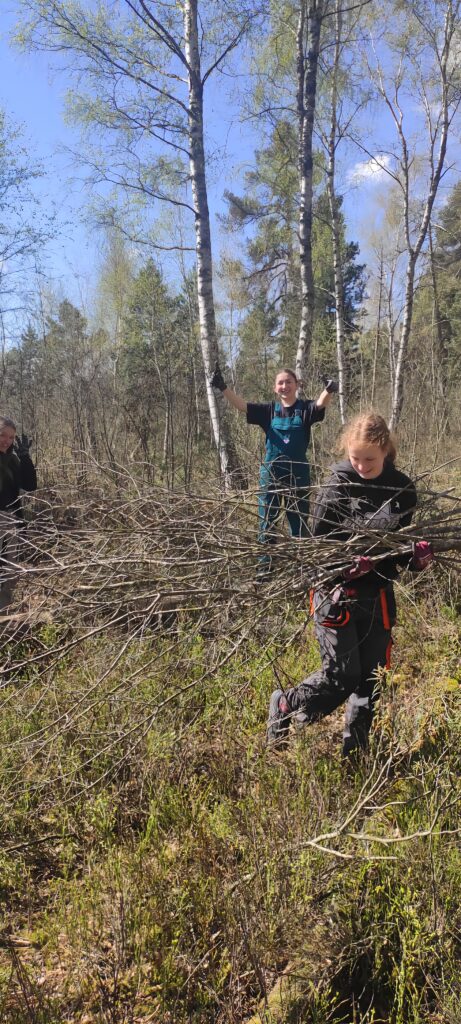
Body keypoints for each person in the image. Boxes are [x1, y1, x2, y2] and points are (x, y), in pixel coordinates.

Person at [266, 411, 433, 756]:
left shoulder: (403, 490)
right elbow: (315, 551)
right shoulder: (335, 485)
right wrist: (344, 568)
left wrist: (416, 560)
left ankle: (354, 753)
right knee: (342, 675)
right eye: (354, 457)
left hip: (378, 596)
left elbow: (399, 552)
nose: (360, 465)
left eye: (369, 459)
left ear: (386, 450)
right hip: (335, 594)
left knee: (369, 678)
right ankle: (286, 707)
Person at [210, 364, 337, 544]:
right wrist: (222, 387)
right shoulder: (268, 411)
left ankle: (302, 566)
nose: (284, 386)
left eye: (288, 382)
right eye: (280, 383)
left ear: (297, 385)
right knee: (267, 522)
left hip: (298, 475)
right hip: (271, 474)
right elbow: (242, 406)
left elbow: (319, 404)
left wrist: (329, 389)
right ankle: (265, 569)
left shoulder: (305, 409)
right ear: (275, 388)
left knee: (299, 522)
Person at [0, 416, 37, 611]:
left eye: (11, 437)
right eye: (2, 435)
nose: (6, 440)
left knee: (10, 568)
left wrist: (25, 457)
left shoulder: (14, 459)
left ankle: (4, 612)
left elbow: (30, 486)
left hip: (10, 519)